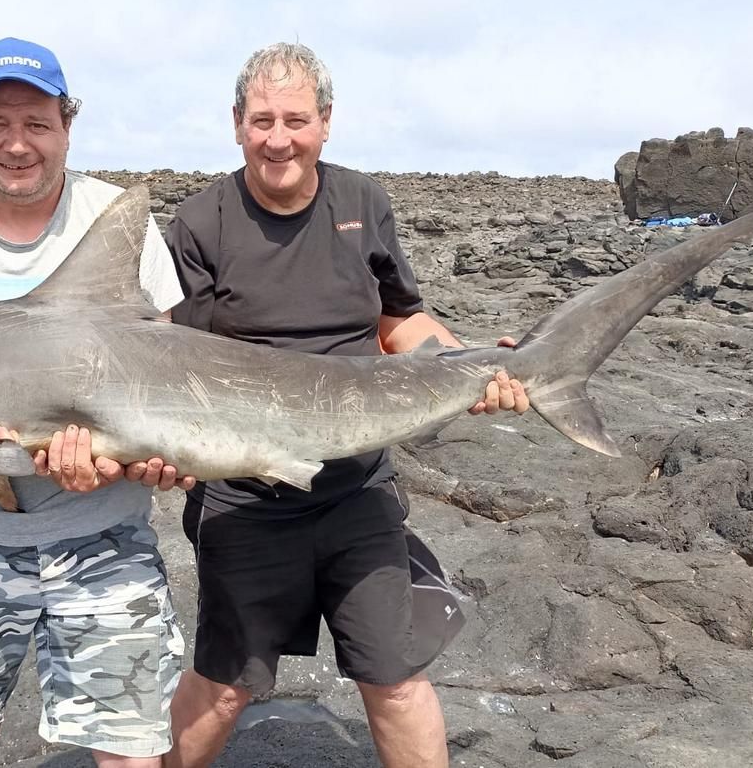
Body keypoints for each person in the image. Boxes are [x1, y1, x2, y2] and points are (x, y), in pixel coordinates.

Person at [162, 42, 529, 768]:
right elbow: (175, 360)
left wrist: (475, 365)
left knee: (396, 679)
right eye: (262, 120)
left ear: (326, 122)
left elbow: (400, 322)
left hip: (356, 488)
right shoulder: (201, 222)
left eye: (296, 120)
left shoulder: (363, 202)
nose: (278, 139)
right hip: (246, 497)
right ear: (236, 124)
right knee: (225, 687)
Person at [0, 37, 191, 768]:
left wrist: (145, 461)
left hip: (103, 538)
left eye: (36, 123)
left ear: (67, 127)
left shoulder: (117, 219)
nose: (17, 144)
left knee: (132, 753)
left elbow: (166, 383)